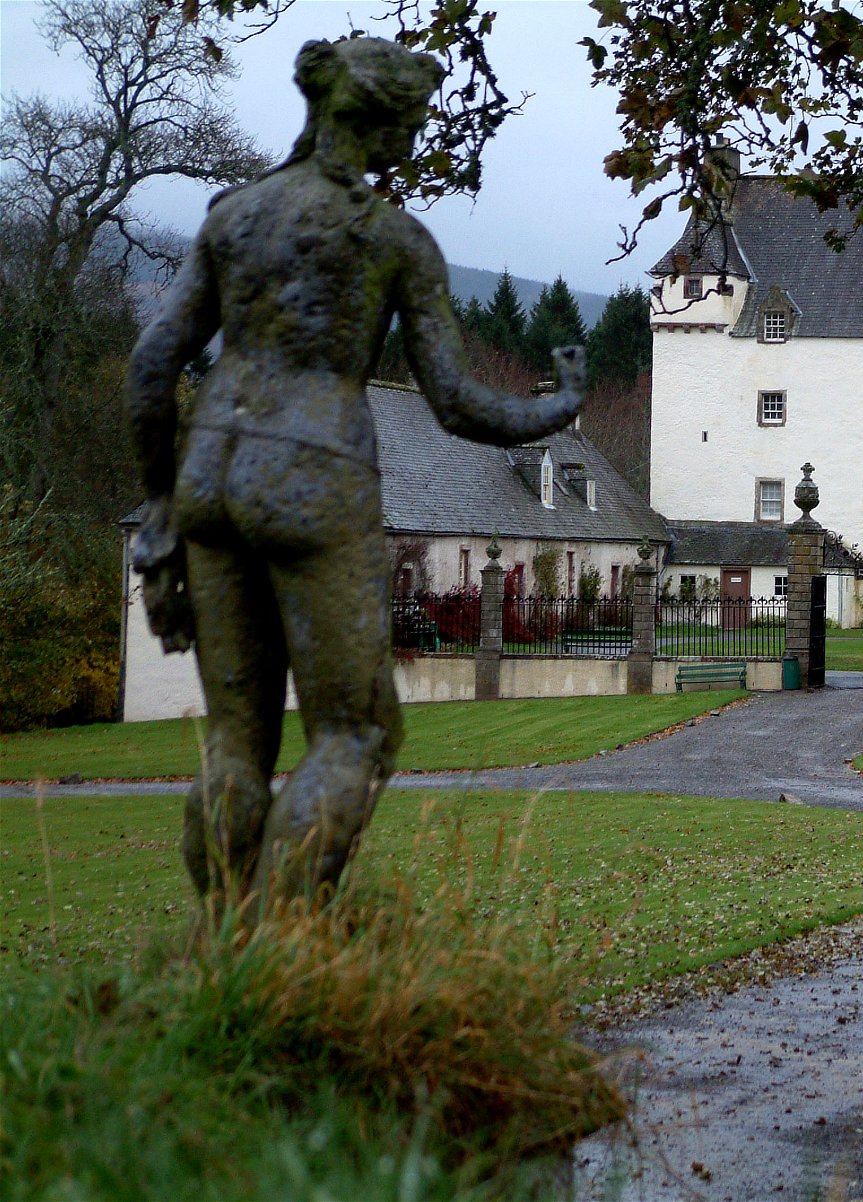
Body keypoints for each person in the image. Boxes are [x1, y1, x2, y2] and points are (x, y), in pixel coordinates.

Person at [125, 36, 585, 914]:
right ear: (380, 120)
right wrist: (557, 406)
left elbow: (154, 367)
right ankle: (277, 938)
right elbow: (453, 401)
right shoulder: (388, 239)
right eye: (413, 121)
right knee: (356, 732)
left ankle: (220, 944)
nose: (416, 139)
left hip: (208, 471)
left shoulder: (232, 216)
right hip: (314, 471)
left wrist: (159, 509)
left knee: (235, 741)